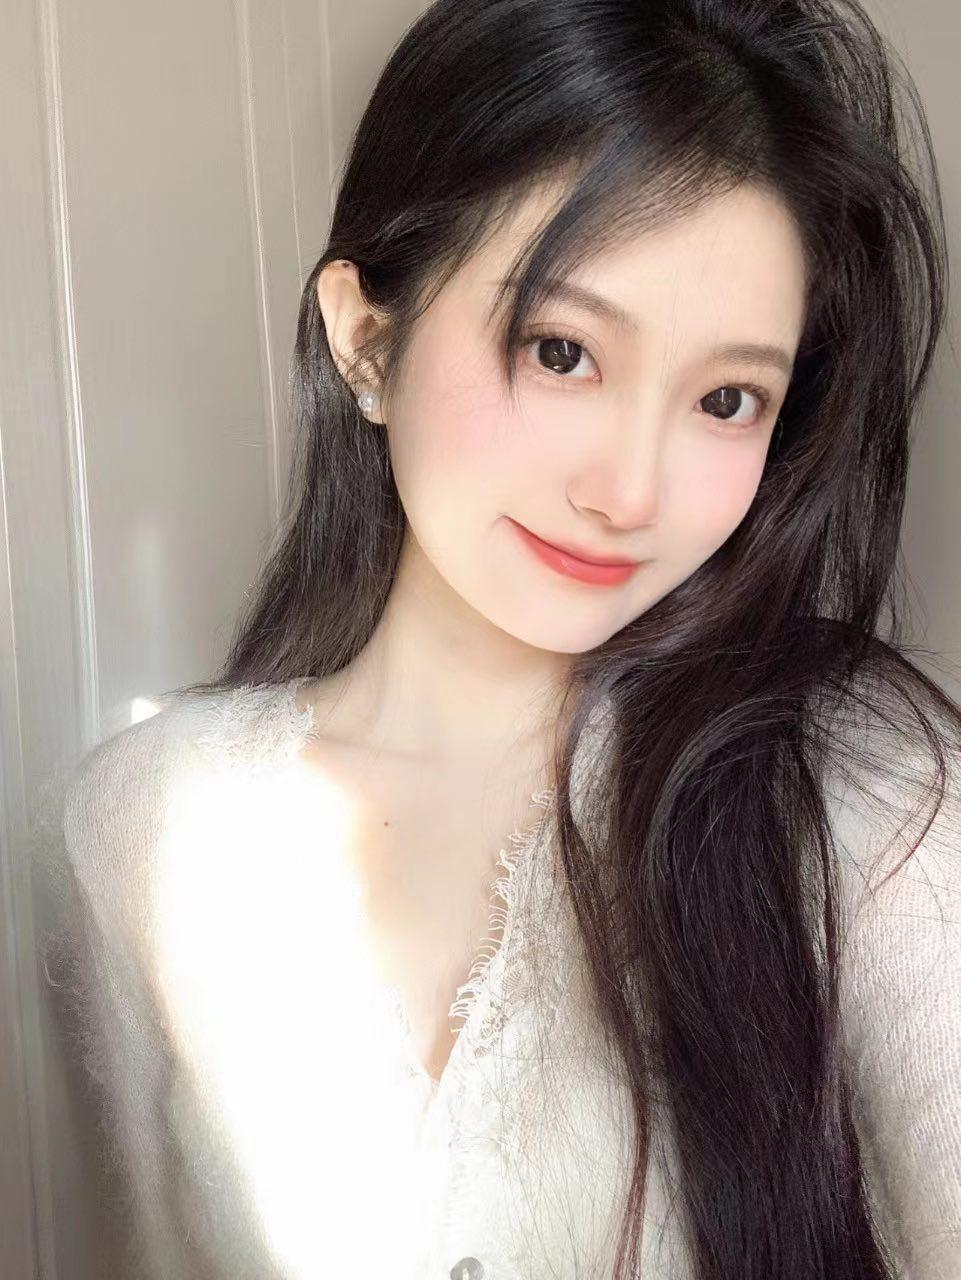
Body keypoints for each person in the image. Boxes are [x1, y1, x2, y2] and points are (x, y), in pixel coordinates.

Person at [41, 0, 961, 1277]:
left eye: (726, 397)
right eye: (563, 350)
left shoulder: (862, 784)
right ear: (367, 339)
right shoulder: (139, 824)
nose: (629, 491)